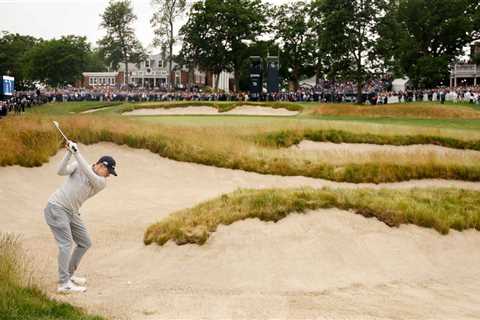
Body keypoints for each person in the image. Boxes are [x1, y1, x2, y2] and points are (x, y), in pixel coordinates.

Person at [44, 140, 117, 293]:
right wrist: (69, 153)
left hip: (72, 212)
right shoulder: (78, 165)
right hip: (56, 207)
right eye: (108, 171)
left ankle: (68, 275)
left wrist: (76, 153)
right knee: (66, 244)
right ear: (101, 165)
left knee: (85, 242)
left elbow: (89, 173)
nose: (109, 175)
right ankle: (64, 284)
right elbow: (61, 171)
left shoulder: (101, 182)